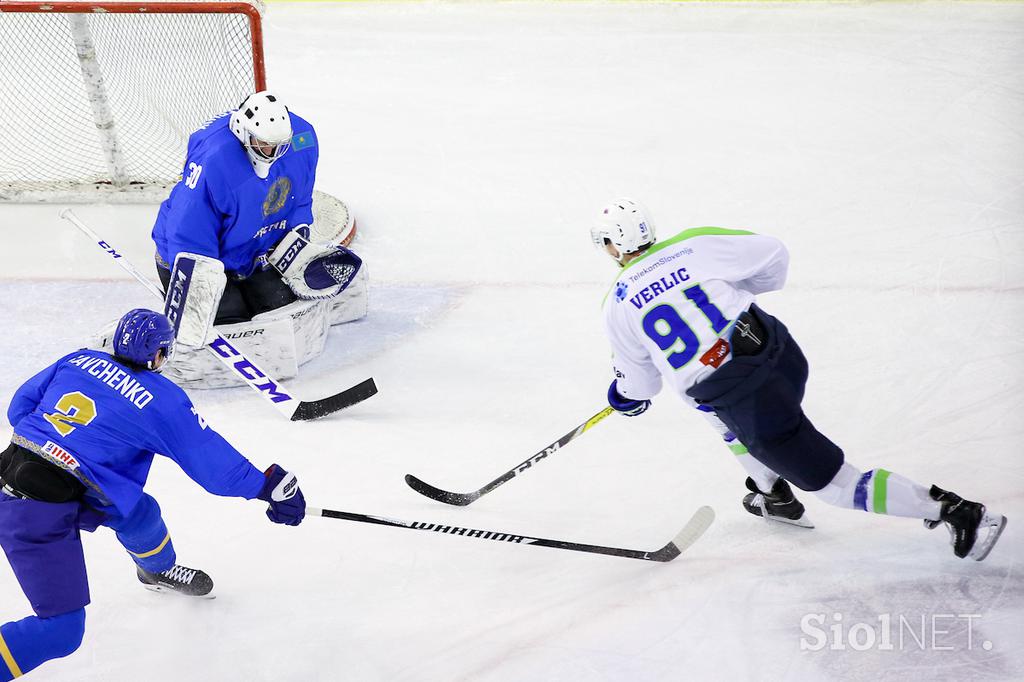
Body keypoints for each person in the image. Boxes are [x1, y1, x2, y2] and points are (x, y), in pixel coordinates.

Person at [591, 198, 1006, 561]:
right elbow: (772, 252)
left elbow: (640, 387)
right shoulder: (694, 243)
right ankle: (773, 494)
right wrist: (747, 292)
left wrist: (625, 397)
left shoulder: (617, 303)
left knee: (838, 486)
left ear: (611, 247)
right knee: (714, 413)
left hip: (748, 398)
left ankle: (960, 513)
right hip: (779, 352)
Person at [0, 309, 306, 680]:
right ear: (159, 355)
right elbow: (213, 468)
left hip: (20, 467)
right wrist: (265, 485)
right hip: (34, 511)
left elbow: (19, 409)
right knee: (61, 631)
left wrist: (67, 448)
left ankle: (157, 570)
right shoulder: (163, 401)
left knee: (138, 513)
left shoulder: (78, 359)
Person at [149, 90, 367, 387]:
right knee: (233, 326)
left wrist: (295, 240)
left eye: (278, 146)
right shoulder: (215, 162)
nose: (271, 152)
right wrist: (199, 287)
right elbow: (186, 233)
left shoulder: (302, 140)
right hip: (202, 259)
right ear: (242, 131)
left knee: (279, 311)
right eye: (263, 144)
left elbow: (300, 198)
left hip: (254, 253)